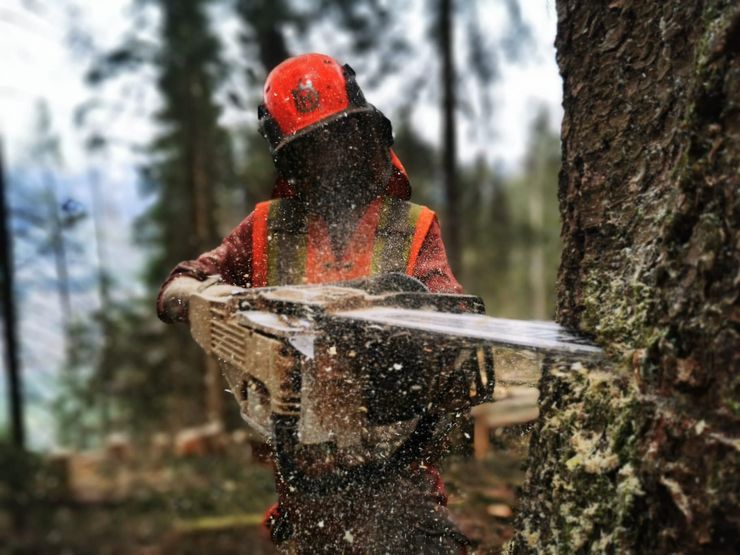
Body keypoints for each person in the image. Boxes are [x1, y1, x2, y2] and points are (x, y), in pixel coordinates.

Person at [157, 53, 470, 553]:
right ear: (292, 158)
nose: (332, 158)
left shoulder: (412, 226)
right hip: (306, 479)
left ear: (366, 137)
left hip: (398, 466)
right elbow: (180, 285)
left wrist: (410, 331)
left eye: (341, 139)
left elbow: (450, 306)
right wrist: (211, 303)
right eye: (314, 148)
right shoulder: (265, 228)